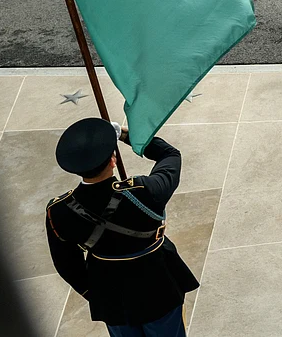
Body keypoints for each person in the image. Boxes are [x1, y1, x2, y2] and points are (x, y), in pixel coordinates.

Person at [46, 118, 198, 337]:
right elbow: (170, 155)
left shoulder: (59, 211)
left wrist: (94, 292)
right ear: (113, 160)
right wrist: (125, 135)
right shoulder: (144, 192)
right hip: (157, 285)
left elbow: (66, 264)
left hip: (110, 294)